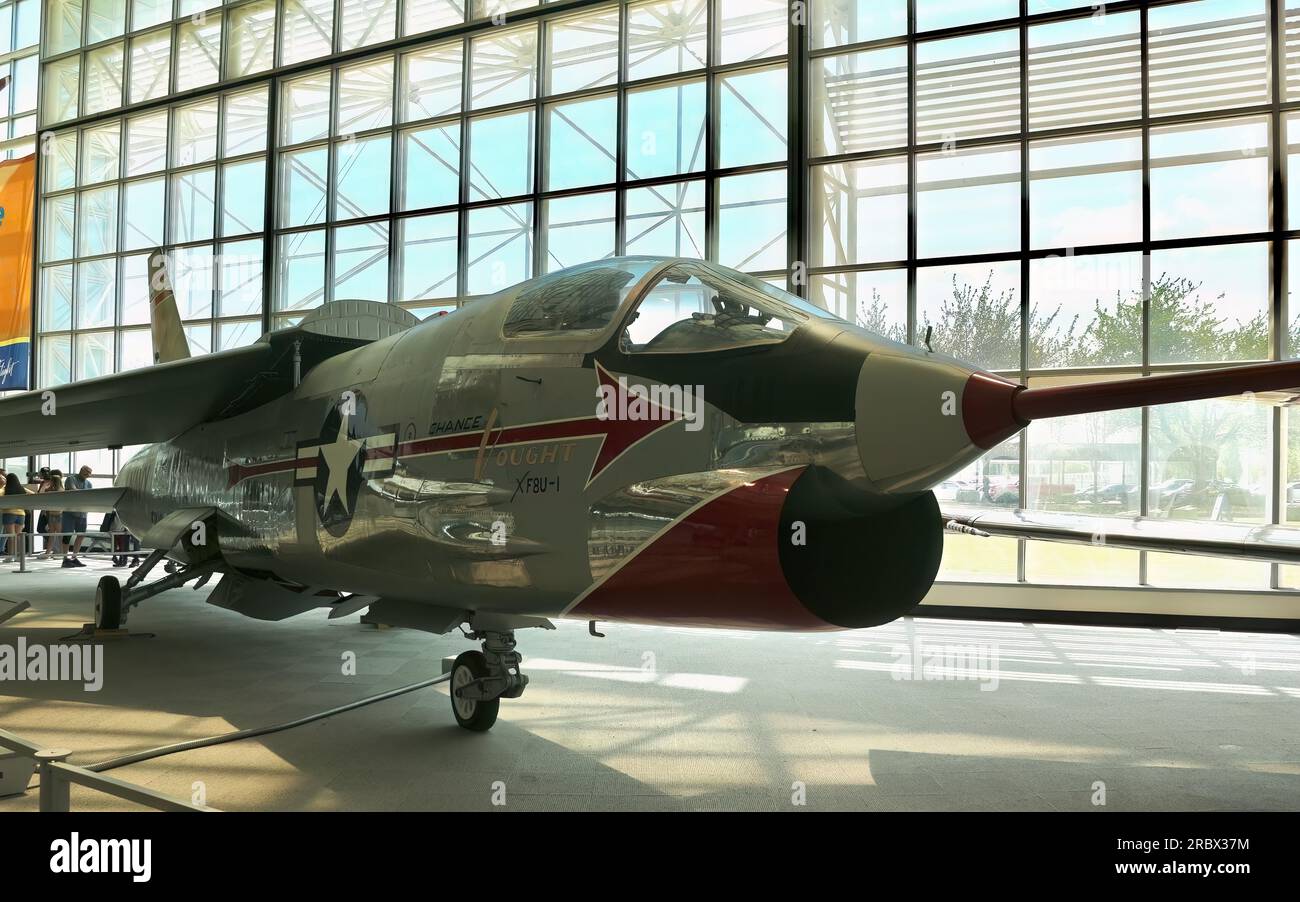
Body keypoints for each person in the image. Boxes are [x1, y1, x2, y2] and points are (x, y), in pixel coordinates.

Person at [62, 465, 93, 568]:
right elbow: (74, 491)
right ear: (81, 470)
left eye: (89, 473)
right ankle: (65, 559)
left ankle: (74, 558)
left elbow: (90, 496)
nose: (88, 474)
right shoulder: (71, 479)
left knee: (81, 535)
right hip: (70, 513)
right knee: (67, 535)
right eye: (86, 472)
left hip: (82, 513)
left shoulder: (89, 483)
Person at [0, 473, 33, 563]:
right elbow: (33, 494)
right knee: (18, 536)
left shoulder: (5, 489)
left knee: (11, 536)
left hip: (9, 514)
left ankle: (10, 557)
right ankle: (18, 556)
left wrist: (2, 485)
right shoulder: (21, 489)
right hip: (21, 515)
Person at [38, 471, 64, 560]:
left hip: (56, 515)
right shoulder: (59, 490)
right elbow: (41, 494)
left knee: (55, 534)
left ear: (53, 481)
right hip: (55, 514)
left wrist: (45, 485)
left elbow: (41, 494)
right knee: (54, 534)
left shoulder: (57, 490)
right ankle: (50, 552)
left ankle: (57, 553)